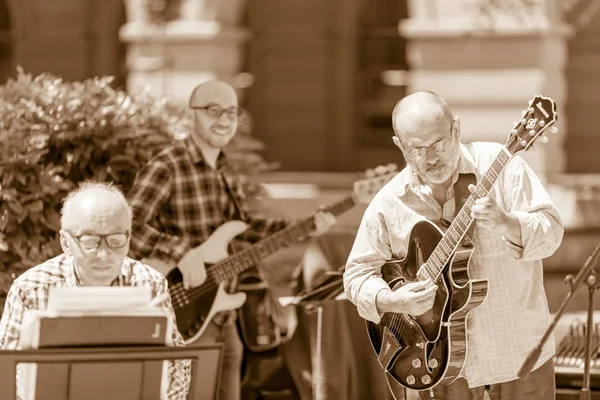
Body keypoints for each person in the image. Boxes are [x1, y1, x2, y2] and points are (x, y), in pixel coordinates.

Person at [344, 91, 564, 400]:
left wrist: (507, 223)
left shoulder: (503, 169)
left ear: (456, 129)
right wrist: (393, 299)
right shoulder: (388, 203)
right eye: (417, 149)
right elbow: (356, 277)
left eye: (438, 143)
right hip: (438, 370)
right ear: (400, 146)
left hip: (519, 358)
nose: (431, 157)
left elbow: (552, 234)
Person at [127, 80, 336, 400]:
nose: (224, 119)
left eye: (231, 112)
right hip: (184, 311)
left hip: (224, 309)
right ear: (189, 116)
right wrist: (183, 253)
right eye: (213, 110)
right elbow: (128, 226)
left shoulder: (225, 170)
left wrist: (304, 226)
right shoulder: (166, 167)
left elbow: (245, 227)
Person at [0, 182, 190, 399]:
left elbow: (176, 365)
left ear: (129, 237)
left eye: (116, 240)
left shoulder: (150, 284)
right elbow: (6, 375)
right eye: (89, 241)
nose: (104, 254)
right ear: (65, 241)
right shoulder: (29, 289)